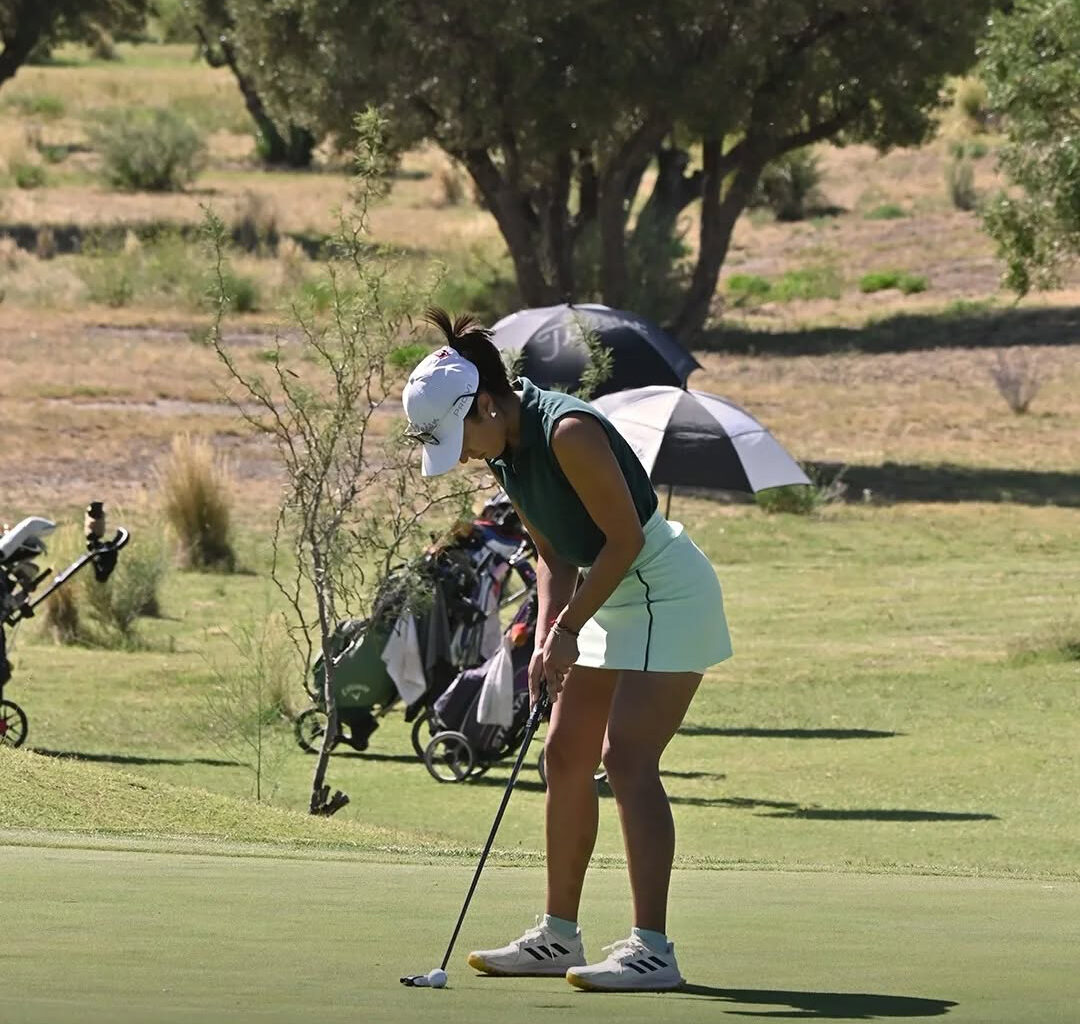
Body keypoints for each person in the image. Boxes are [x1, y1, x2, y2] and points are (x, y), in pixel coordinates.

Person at [402, 307, 732, 992]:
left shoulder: (568, 431)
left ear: (486, 404)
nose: (461, 456)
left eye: (459, 438)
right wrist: (546, 637)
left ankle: (653, 951)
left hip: (665, 591)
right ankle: (558, 936)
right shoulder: (505, 451)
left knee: (627, 758)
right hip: (607, 596)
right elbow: (553, 556)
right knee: (563, 755)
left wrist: (569, 631)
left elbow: (625, 541)